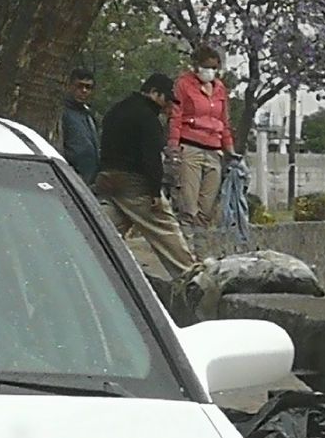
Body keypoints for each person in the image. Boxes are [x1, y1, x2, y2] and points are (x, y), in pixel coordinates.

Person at [96, 73, 196, 280]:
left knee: (105, 228)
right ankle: (190, 276)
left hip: (107, 177)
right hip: (135, 182)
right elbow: (151, 158)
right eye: (167, 99)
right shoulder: (148, 118)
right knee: (164, 228)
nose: (168, 105)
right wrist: (155, 192)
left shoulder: (116, 110)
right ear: (154, 93)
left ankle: (86, 262)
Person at [167, 45, 235, 246]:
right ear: (196, 65)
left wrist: (230, 150)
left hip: (214, 150)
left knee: (206, 208)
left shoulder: (220, 88)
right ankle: (186, 251)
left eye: (214, 67)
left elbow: (224, 122)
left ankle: (200, 249)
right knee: (188, 205)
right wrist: (173, 147)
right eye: (206, 66)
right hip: (190, 147)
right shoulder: (183, 84)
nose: (210, 71)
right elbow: (175, 117)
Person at [60, 67, 100, 184]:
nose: (84, 90)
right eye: (79, 86)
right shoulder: (61, 112)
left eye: (88, 87)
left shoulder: (89, 115)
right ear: (69, 86)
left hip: (88, 178)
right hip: (67, 175)